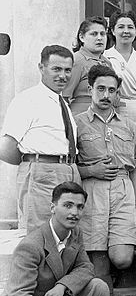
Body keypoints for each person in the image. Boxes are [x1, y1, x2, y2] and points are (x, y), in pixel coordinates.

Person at [75, 65, 136, 296]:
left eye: (111, 90)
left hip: (123, 190)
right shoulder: (77, 123)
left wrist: (135, 205)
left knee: (123, 257)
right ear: (90, 89)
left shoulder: (129, 124)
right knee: (98, 262)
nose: (106, 94)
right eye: (100, 89)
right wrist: (91, 170)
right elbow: (71, 167)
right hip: (92, 192)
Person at [0, 45, 82, 233]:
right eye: (56, 69)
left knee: (64, 236)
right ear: (41, 68)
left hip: (68, 172)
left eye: (67, 70)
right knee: (40, 235)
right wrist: (33, 163)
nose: (63, 76)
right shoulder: (28, 100)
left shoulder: (61, 102)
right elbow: (5, 147)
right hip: (42, 174)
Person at [104, 10, 136, 126]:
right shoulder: (105, 57)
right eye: (121, 27)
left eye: (130, 27)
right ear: (113, 30)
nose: (126, 31)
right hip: (112, 112)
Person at [62, 16, 114, 115]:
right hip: (81, 115)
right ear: (82, 37)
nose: (99, 38)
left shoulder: (107, 63)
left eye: (102, 34)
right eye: (94, 34)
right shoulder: (77, 60)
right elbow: (65, 96)